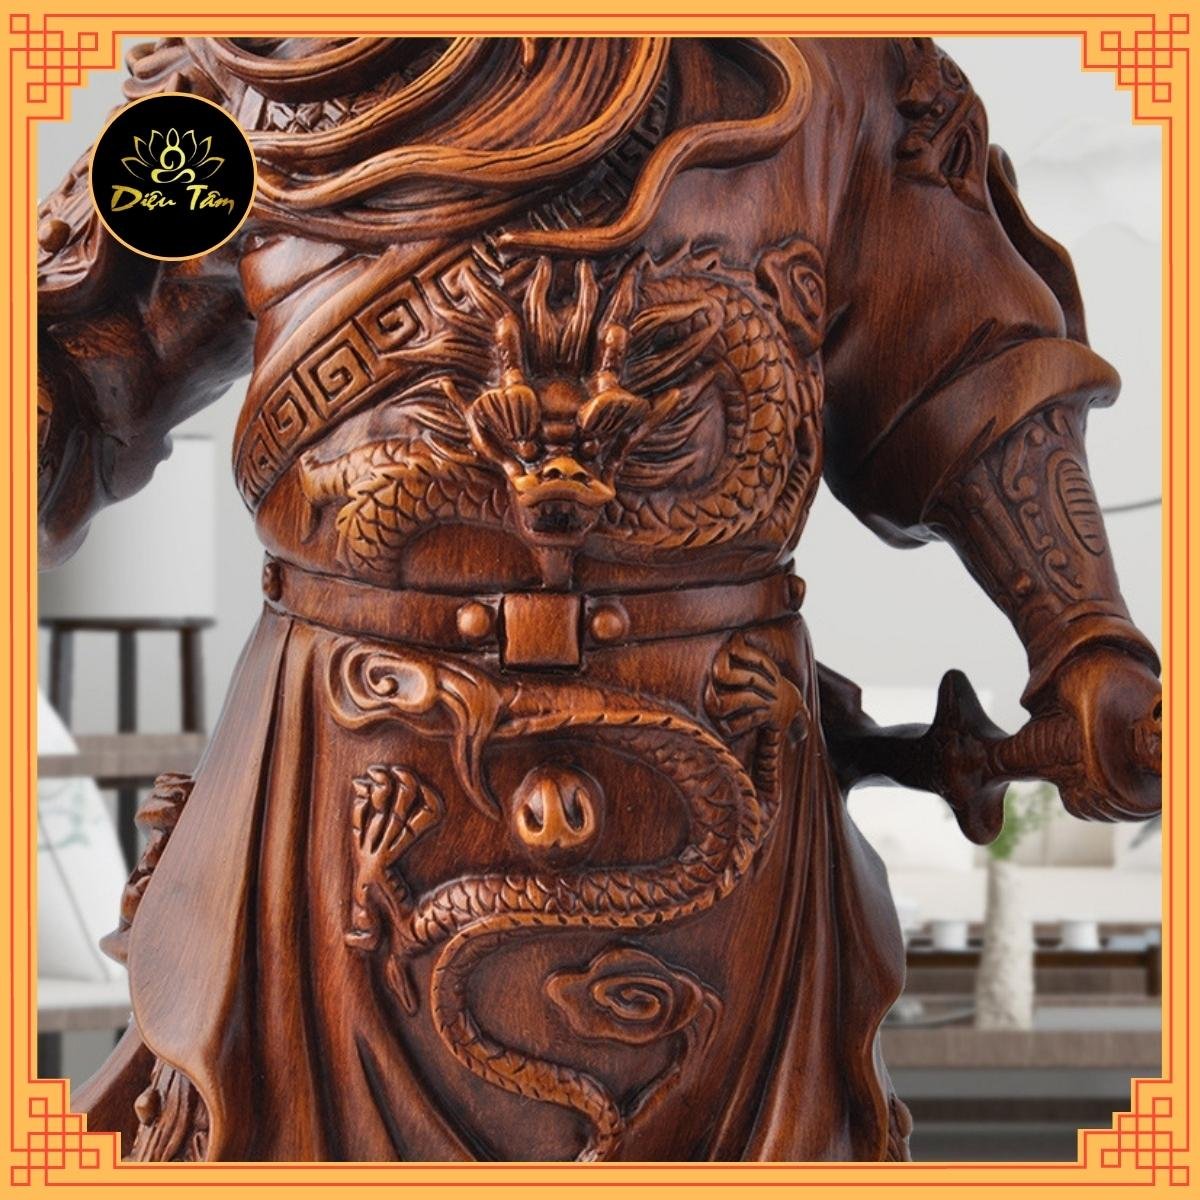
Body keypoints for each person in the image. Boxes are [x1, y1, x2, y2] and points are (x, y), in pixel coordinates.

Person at [37, 36, 1161, 1162]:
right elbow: (84, 352)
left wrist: (1083, 638)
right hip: (341, 786)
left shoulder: (841, 64)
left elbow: (964, 373)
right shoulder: (261, 72)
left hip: (726, 784)